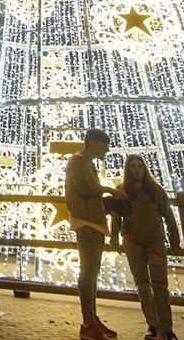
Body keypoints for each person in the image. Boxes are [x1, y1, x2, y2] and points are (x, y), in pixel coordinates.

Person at [65, 128, 127, 340]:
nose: (107, 150)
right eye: (104, 145)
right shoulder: (77, 161)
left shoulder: (87, 163)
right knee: (88, 270)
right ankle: (87, 321)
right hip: (86, 220)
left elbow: (89, 187)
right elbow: (83, 187)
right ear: (92, 142)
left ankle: (92, 317)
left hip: (94, 220)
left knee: (93, 271)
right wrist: (108, 190)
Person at [110, 155, 180, 340]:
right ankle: (153, 324)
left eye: (140, 166)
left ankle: (166, 327)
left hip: (155, 241)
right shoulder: (122, 191)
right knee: (142, 285)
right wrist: (114, 237)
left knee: (160, 285)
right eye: (132, 166)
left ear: (145, 168)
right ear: (127, 169)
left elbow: (168, 214)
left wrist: (174, 239)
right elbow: (116, 216)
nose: (137, 170)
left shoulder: (156, 190)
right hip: (133, 242)